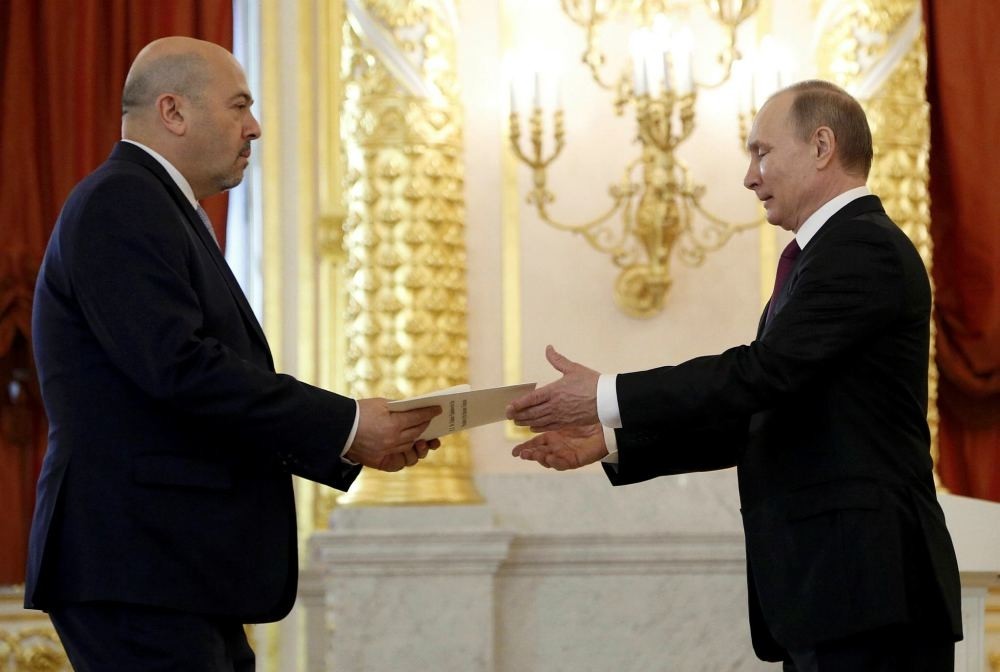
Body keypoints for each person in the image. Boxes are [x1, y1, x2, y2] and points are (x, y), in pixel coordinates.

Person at [507, 80, 963, 671]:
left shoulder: (861, 249)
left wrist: (606, 395)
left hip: (870, 591)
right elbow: (763, 409)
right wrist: (611, 439)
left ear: (822, 146)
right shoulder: (822, 257)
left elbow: (759, 375)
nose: (750, 176)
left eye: (762, 152)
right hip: (835, 595)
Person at [25, 36, 442, 670]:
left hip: (169, 564)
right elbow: (182, 370)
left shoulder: (159, 207)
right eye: (239, 106)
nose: (255, 128)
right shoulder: (122, 201)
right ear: (173, 112)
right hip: (138, 562)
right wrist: (349, 425)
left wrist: (348, 439)